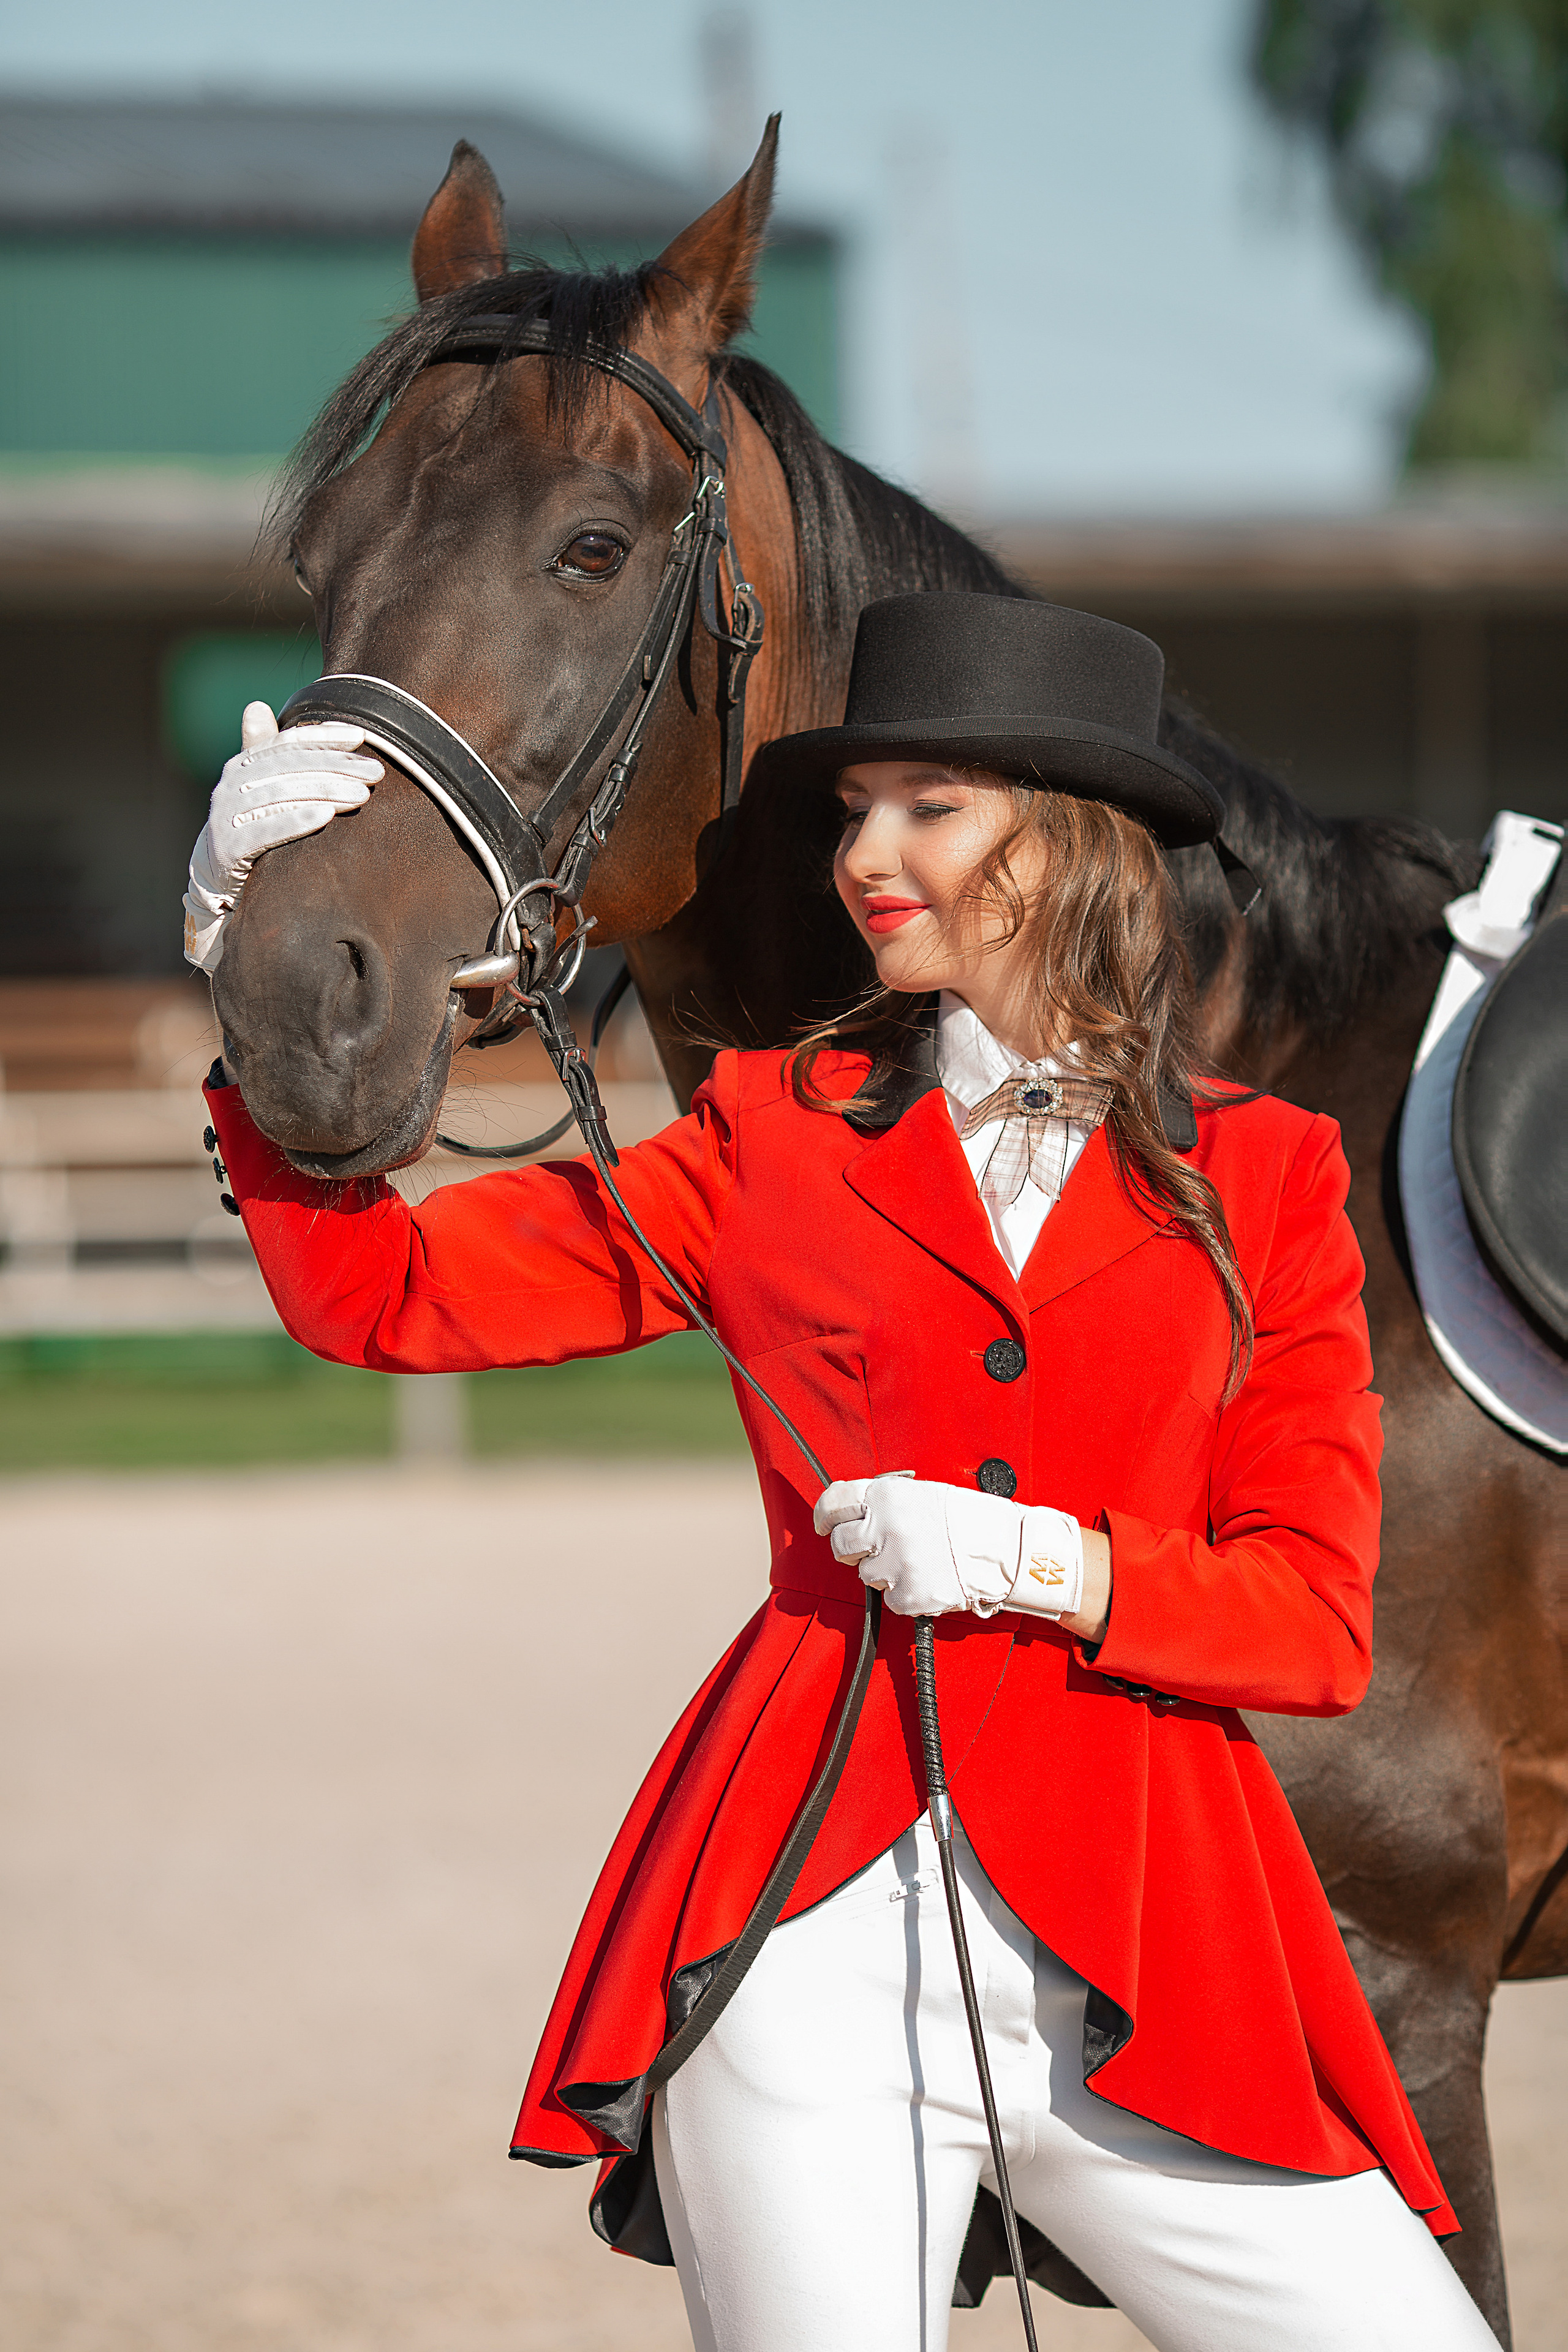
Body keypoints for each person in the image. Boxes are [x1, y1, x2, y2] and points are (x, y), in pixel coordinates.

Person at [192, 594, 1498, 2352]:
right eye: (855, 809)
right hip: (808, 1927)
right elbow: (389, 1297)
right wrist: (252, 976)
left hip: (1155, 1947)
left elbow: (1315, 1622)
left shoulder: (1267, 1180)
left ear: (1079, 846)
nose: (866, 855)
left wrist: (1036, 1563)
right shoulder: (766, 1132)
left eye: (928, 808)